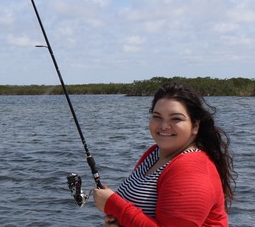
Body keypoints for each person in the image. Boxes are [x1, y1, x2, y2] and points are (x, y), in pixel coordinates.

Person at [93, 82, 235, 226]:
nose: (163, 125)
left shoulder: (193, 170)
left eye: (176, 118)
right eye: (157, 116)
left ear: (195, 126)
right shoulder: (154, 153)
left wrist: (113, 205)